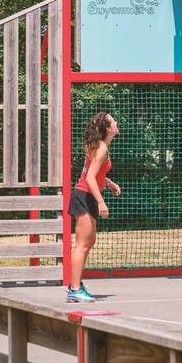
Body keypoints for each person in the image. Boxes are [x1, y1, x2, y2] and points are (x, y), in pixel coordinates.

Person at [67, 112, 121, 303]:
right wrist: (101, 202)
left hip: (87, 195)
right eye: (113, 121)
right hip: (84, 195)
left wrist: (109, 183)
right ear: (108, 128)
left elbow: (94, 174)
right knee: (82, 245)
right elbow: (89, 178)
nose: (116, 123)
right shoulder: (102, 148)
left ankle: (76, 284)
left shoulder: (100, 146)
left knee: (88, 243)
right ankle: (74, 289)